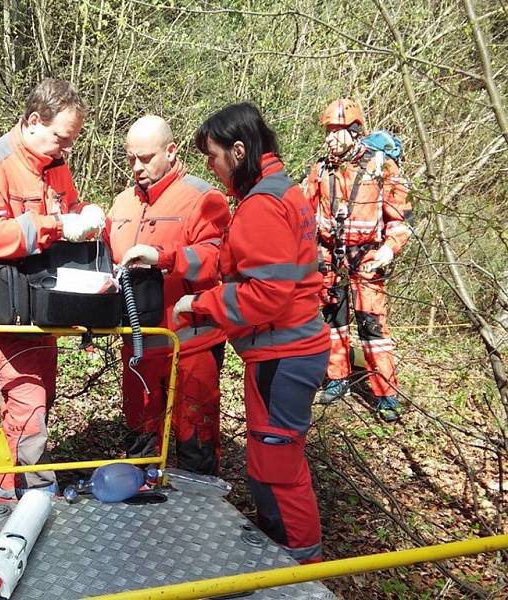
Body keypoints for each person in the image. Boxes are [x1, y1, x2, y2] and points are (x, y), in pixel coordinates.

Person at [174, 103, 330, 563]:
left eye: (214, 155)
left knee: (277, 466)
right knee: (270, 460)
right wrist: (169, 260)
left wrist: (199, 303)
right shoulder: (281, 191)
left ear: (238, 150)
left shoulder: (262, 205)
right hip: (288, 351)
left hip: (284, 355)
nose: (210, 166)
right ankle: (284, 553)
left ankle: (300, 566)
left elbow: (266, 294)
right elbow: (233, 261)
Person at [0, 78, 104, 501]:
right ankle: (33, 495)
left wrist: (85, 216)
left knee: (39, 396)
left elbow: (68, 210)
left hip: (42, 304)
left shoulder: (55, 164)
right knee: (28, 402)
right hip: (3, 306)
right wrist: (57, 226)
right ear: (33, 121)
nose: (66, 149)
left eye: (71, 141)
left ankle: (6, 489)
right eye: (61, 138)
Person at [106, 115, 230, 475]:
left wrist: (163, 258)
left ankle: (200, 514)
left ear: (171, 151)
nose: (137, 168)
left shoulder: (203, 198)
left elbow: (216, 259)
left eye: (146, 158)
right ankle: (142, 512)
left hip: (189, 345)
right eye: (131, 159)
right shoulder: (122, 203)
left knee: (195, 442)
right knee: (140, 439)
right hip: (138, 347)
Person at [303, 99, 412, 422]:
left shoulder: (381, 168)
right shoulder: (321, 170)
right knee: (333, 322)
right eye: (328, 132)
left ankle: (387, 394)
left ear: (354, 131)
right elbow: (304, 213)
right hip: (330, 256)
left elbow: (401, 218)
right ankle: (337, 377)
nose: (330, 138)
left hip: (367, 258)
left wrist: (389, 249)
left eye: (336, 131)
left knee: (372, 326)